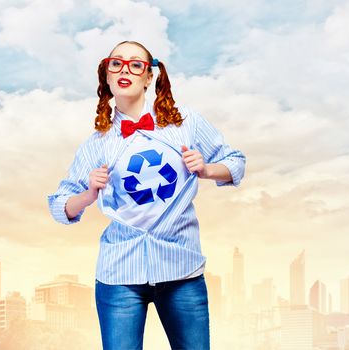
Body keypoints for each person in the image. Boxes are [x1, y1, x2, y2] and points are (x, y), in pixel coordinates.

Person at [47, 40, 245, 350]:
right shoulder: (96, 144)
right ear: (107, 75)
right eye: (117, 63)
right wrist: (89, 193)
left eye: (135, 64)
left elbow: (235, 162)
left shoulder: (185, 123)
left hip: (181, 268)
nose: (125, 69)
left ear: (149, 76)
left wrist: (206, 170)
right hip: (119, 274)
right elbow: (60, 206)